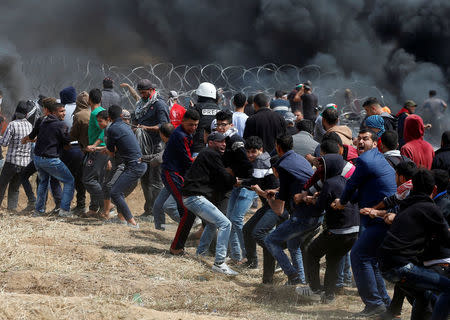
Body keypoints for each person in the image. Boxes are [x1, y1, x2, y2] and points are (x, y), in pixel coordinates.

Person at [332, 129, 397, 317]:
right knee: (370, 259)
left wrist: (342, 202)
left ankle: (375, 304)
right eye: (358, 139)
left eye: (365, 139)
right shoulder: (375, 158)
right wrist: (344, 201)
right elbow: (361, 190)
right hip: (377, 215)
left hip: (380, 216)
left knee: (359, 256)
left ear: (376, 143)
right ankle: (383, 302)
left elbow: (351, 185)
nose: (360, 142)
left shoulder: (366, 161)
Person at [378, 169, 450, 320]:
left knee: (423, 296)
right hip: (401, 267)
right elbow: (447, 240)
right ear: (434, 189)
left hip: (385, 265)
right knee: (448, 288)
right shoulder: (431, 209)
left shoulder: (406, 204)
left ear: (412, 187)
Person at [297, 154, 359, 304]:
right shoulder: (346, 181)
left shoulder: (330, 183)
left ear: (331, 167)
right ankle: (329, 295)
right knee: (333, 259)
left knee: (311, 252)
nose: (321, 169)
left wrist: (311, 199)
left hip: (338, 231)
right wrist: (321, 196)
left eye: (323, 166)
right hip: (354, 231)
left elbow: (319, 208)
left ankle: (315, 291)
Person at [264, 135, 318, 285]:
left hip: (304, 214)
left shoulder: (283, 165)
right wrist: (278, 192)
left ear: (278, 147)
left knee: (270, 240)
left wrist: (271, 195)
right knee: (293, 244)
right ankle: (300, 280)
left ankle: (293, 275)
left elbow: (282, 198)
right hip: (317, 211)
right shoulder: (299, 158)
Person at [182, 132, 238, 275]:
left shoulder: (206, 154)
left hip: (192, 197)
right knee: (226, 224)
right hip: (195, 198)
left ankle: (200, 253)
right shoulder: (210, 154)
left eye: (225, 142)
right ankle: (219, 263)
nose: (223, 144)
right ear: (211, 142)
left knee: (213, 223)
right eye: (220, 141)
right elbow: (224, 176)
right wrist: (237, 181)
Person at [161, 109, 199, 255]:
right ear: (183, 121)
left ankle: (180, 245)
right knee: (188, 210)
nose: (193, 128)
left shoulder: (186, 134)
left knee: (187, 212)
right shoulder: (180, 135)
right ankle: (176, 247)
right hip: (172, 174)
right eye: (190, 124)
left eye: (196, 125)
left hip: (179, 175)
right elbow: (189, 160)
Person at [104, 105, 147, 227]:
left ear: (109, 117)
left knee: (115, 192)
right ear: (121, 116)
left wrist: (104, 150)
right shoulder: (125, 125)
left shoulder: (112, 129)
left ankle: (132, 223)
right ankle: (122, 219)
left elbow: (111, 152)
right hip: (139, 164)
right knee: (118, 192)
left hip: (134, 166)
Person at [133, 79, 170, 217]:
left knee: (155, 180)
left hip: (156, 146)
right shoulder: (141, 104)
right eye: (140, 93)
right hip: (143, 146)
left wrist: (146, 128)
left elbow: (164, 125)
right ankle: (148, 209)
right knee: (145, 179)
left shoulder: (159, 104)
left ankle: (156, 211)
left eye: (144, 92)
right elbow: (136, 119)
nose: (142, 95)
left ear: (151, 90)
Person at [32, 103, 75, 217]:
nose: (64, 113)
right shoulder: (60, 124)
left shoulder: (43, 121)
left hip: (38, 158)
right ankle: (64, 211)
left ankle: (39, 210)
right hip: (50, 160)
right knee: (69, 181)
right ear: (54, 112)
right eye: (61, 111)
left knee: (43, 183)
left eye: (64, 111)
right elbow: (67, 141)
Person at [143, 122, 180, 230]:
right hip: (169, 182)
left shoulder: (173, 144)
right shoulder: (171, 142)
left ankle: (189, 223)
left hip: (177, 181)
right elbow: (159, 156)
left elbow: (159, 159)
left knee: (169, 207)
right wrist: (144, 158)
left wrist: (150, 162)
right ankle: (160, 229)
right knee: (157, 206)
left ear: (162, 134)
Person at [0, 101, 33, 210]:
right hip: (24, 163)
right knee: (15, 188)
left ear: (16, 112)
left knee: (2, 185)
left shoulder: (12, 124)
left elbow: (4, 143)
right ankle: (12, 210)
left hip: (11, 162)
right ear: (27, 114)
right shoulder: (30, 126)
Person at [83, 89, 108, 216]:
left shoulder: (95, 114)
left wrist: (94, 145)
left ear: (89, 100)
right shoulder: (100, 111)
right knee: (97, 179)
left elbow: (103, 131)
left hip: (98, 151)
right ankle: (93, 208)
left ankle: (106, 205)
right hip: (101, 150)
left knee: (88, 179)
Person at [190, 82, 221, 156]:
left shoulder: (196, 108)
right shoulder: (218, 109)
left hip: (198, 148)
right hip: (215, 148)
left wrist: (191, 109)